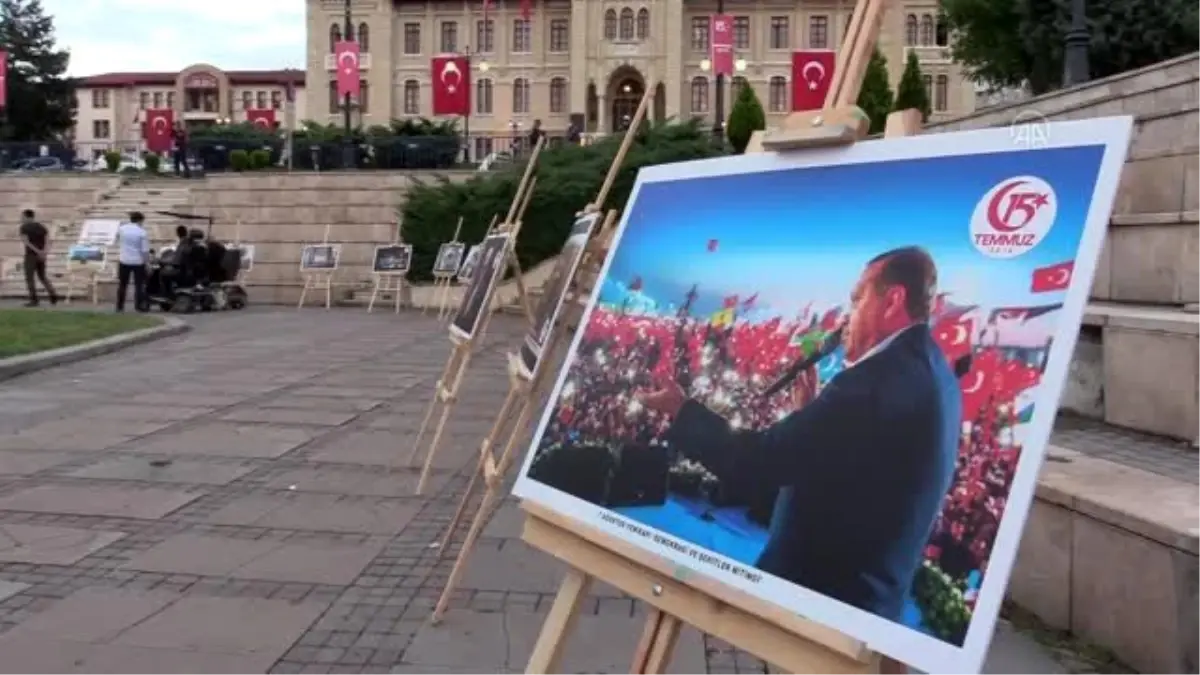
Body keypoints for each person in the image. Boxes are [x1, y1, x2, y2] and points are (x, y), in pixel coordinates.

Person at [640, 246, 961, 623]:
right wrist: (809, 414)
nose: (847, 317)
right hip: (870, 596)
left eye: (857, 299)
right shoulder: (934, 370)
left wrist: (682, 411)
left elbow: (761, 461)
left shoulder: (872, 384)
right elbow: (856, 463)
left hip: (825, 599)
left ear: (892, 301)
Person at [17, 209, 58, 307]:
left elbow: (26, 242)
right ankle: (53, 294)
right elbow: (48, 240)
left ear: (27, 217)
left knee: (29, 278)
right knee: (42, 276)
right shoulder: (41, 227)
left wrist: (37, 251)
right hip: (42, 255)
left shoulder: (24, 227)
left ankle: (34, 300)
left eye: (22, 217)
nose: (21, 219)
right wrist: (44, 252)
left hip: (31, 255)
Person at [115, 212, 150, 312]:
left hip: (124, 260)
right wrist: (147, 262)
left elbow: (117, 239)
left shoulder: (122, 229)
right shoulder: (142, 232)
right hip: (138, 261)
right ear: (139, 220)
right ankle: (138, 306)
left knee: (122, 284)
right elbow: (144, 250)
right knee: (139, 285)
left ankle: (120, 306)